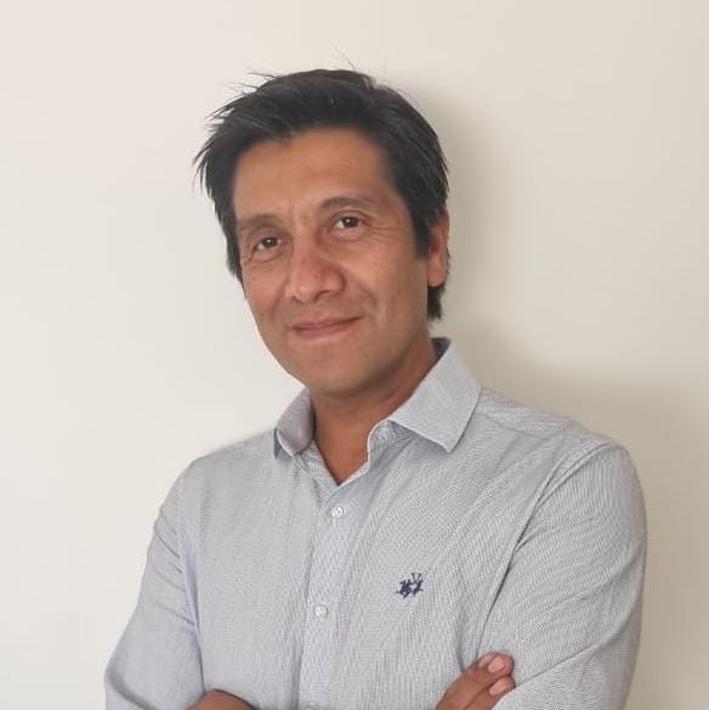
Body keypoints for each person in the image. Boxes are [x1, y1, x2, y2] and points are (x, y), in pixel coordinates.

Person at [105, 69, 646, 710]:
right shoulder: (203, 504)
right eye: (269, 241)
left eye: (347, 223)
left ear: (433, 245)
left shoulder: (564, 483)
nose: (308, 281)